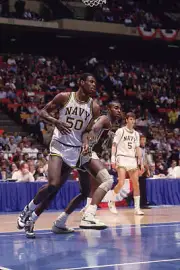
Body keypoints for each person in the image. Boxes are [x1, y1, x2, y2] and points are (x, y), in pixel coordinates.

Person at [17, 73, 115, 238]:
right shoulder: (64, 97)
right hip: (58, 145)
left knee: (56, 190)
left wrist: (85, 142)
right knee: (53, 184)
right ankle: (27, 210)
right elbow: (42, 112)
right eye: (90, 82)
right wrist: (56, 122)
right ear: (81, 82)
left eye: (95, 83)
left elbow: (87, 132)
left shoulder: (94, 107)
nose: (93, 85)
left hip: (74, 150)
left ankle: (32, 219)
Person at [52, 101, 121, 233]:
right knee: (108, 180)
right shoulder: (105, 119)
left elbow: (98, 138)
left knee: (84, 193)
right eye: (116, 108)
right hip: (84, 150)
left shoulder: (109, 124)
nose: (118, 110)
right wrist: (86, 142)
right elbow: (93, 128)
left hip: (80, 153)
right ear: (109, 108)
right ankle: (89, 216)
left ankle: (60, 222)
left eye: (120, 108)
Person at [110, 112, 144, 215]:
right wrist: (113, 159)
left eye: (134, 119)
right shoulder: (120, 131)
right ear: (126, 120)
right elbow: (114, 145)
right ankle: (111, 202)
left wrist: (140, 162)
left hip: (132, 159)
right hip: (121, 157)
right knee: (121, 182)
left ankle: (137, 208)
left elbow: (137, 148)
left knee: (136, 184)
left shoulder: (136, 134)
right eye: (130, 119)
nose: (132, 121)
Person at [139, 135, 151, 209]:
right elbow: (140, 161)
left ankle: (143, 202)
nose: (144, 141)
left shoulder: (144, 149)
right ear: (139, 141)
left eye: (145, 140)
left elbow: (145, 160)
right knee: (140, 187)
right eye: (142, 140)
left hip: (143, 169)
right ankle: (142, 204)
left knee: (143, 187)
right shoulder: (137, 149)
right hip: (139, 169)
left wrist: (147, 170)